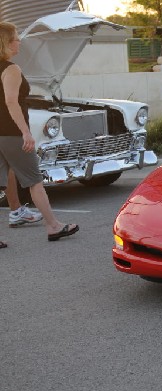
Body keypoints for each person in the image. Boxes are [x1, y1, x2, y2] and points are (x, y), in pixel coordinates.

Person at [0, 22, 79, 248]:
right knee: (34, 181)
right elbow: (10, 101)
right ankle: (53, 226)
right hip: (11, 133)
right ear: (6, 43)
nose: (19, 41)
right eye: (16, 38)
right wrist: (25, 132)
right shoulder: (11, 69)